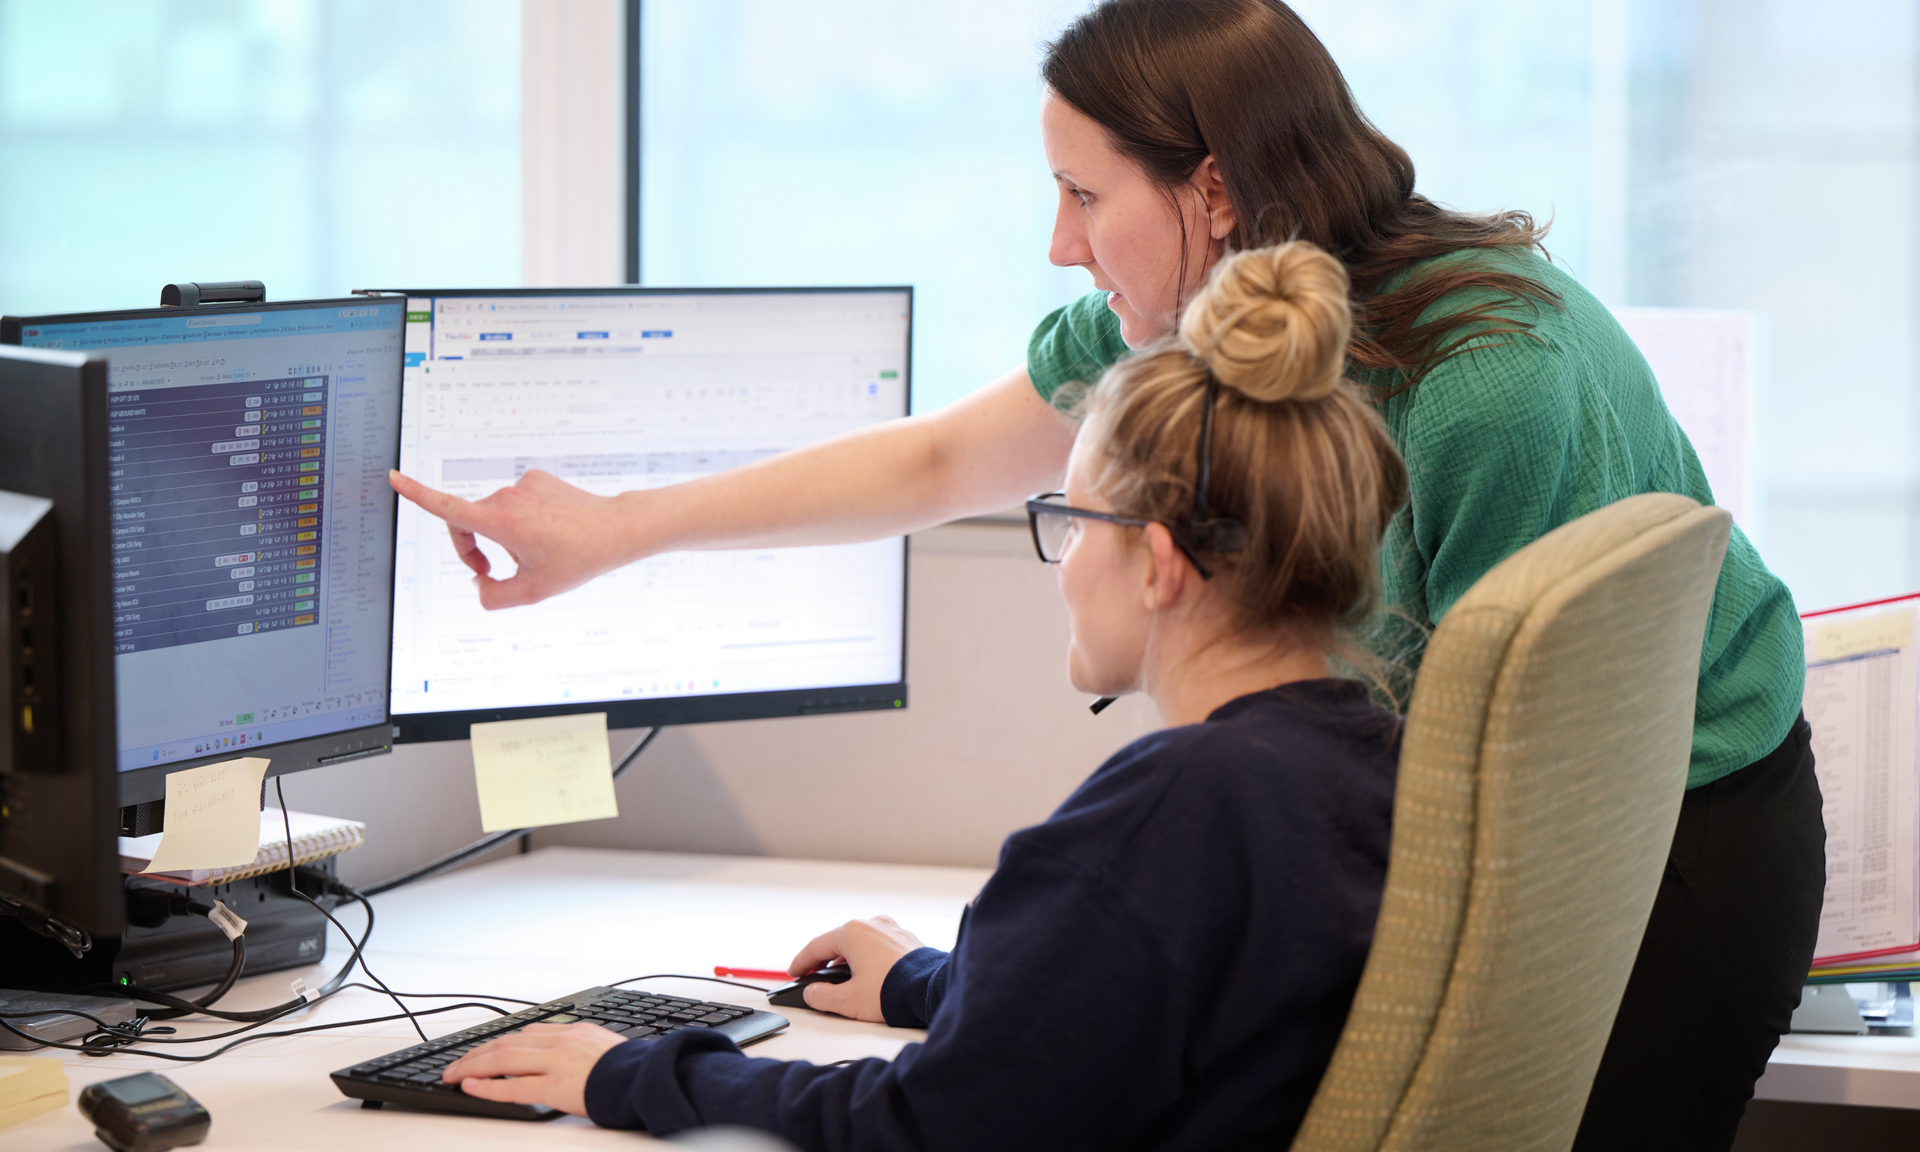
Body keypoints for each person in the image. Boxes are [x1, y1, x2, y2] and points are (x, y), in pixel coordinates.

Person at [396, 2, 1821, 1146]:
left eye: (1084, 193)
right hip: (1467, 825)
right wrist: (618, 530)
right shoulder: (1223, 335)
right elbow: (931, 466)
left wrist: (973, 1000)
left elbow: (1455, 835)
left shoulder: (1484, 390)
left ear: (1211, 192)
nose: (1060, 242)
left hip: (1670, 829)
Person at [440, 240, 1411, 1148]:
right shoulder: (1364, 762)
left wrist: (632, 1074)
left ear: (1158, 565)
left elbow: (928, 1124)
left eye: (1072, 526)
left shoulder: (1176, 811)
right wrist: (929, 984)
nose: (1064, 567)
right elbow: (1113, 1013)